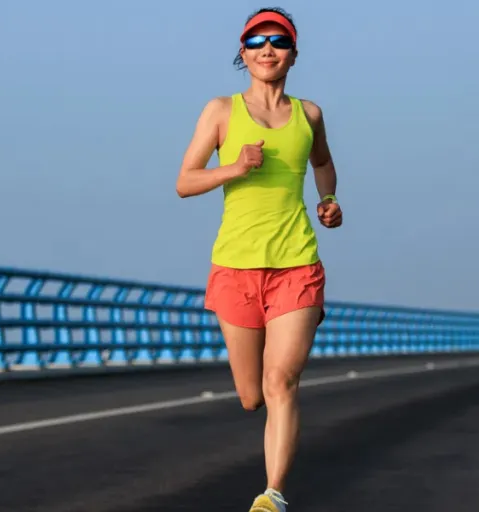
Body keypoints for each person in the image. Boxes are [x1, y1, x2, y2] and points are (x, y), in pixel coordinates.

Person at [175, 7, 343, 512]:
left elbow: (323, 163)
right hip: (235, 268)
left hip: (296, 264)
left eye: (279, 40)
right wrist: (234, 167)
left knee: (280, 382)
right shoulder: (221, 112)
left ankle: (272, 496)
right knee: (252, 395)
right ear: (243, 53)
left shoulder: (309, 114)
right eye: (256, 41)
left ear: (293, 53)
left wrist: (329, 202)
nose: (267, 49)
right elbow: (185, 182)